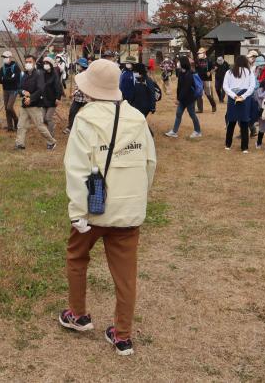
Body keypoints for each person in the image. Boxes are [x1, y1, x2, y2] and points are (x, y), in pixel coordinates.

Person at [59, 59, 156, 357]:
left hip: (94, 207)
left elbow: (77, 169)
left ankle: (78, 314)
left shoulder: (86, 119)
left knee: (77, 256)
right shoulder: (137, 118)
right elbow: (150, 163)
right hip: (129, 209)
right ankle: (122, 335)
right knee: (126, 275)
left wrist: (77, 212)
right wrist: (139, 196)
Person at [16, 55, 57, 150]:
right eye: (26, 62)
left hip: (35, 105)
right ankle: (19, 144)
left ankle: (52, 142)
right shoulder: (24, 74)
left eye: (30, 62)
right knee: (21, 125)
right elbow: (19, 88)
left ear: (34, 63)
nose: (27, 64)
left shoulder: (39, 74)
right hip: (24, 105)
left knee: (40, 126)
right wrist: (22, 92)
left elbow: (41, 89)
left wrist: (31, 98)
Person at [223, 55, 256, 153]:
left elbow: (225, 86)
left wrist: (234, 96)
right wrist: (243, 96)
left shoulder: (229, 72)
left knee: (231, 123)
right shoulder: (249, 72)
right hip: (245, 99)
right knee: (244, 123)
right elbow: (252, 87)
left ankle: (228, 145)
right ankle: (244, 148)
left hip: (233, 98)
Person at [164, 56, 201, 139]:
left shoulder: (189, 74)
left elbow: (186, 88)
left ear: (183, 63)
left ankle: (198, 131)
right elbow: (179, 87)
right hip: (182, 98)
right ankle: (174, 131)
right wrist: (178, 97)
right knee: (178, 113)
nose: (178, 63)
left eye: (179, 62)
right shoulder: (181, 72)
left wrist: (179, 99)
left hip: (190, 99)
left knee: (192, 114)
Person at [0, 51, 22, 132]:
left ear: (10, 58)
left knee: (9, 107)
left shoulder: (16, 67)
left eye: (5, 57)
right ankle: (10, 127)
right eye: (3, 58)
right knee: (6, 109)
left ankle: (16, 119)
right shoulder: (2, 68)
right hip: (5, 90)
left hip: (13, 90)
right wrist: (9, 79)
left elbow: (16, 79)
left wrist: (5, 79)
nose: (4, 59)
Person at [41, 57, 64, 137]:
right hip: (44, 99)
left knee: (48, 118)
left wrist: (58, 98)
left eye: (47, 63)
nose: (45, 65)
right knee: (42, 118)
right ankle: (51, 126)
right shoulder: (42, 74)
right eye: (44, 63)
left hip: (52, 100)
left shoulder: (55, 75)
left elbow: (58, 87)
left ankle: (51, 135)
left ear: (50, 64)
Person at [65, 58, 89, 133]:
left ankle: (85, 129)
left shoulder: (87, 75)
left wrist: (73, 94)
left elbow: (81, 87)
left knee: (86, 115)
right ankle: (70, 127)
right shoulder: (78, 74)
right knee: (72, 112)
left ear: (82, 65)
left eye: (78, 65)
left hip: (86, 99)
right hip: (78, 98)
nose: (77, 66)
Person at [195, 48, 217, 114]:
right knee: (199, 94)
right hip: (199, 79)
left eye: (200, 53)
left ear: (204, 53)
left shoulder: (209, 60)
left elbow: (214, 68)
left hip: (207, 79)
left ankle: (213, 105)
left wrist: (210, 72)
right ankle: (200, 109)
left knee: (208, 94)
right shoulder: (197, 60)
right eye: (198, 53)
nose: (199, 54)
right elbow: (195, 68)